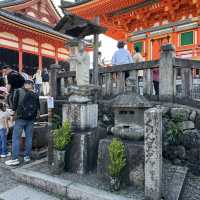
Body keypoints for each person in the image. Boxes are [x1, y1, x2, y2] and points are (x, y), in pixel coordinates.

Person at [5, 80, 40, 166]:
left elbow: (14, 106)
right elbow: (38, 108)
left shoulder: (19, 91)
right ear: (32, 86)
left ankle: (15, 159)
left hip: (20, 119)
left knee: (16, 138)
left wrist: (12, 114)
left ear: (25, 85)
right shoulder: (35, 94)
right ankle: (27, 157)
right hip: (31, 119)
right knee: (29, 138)